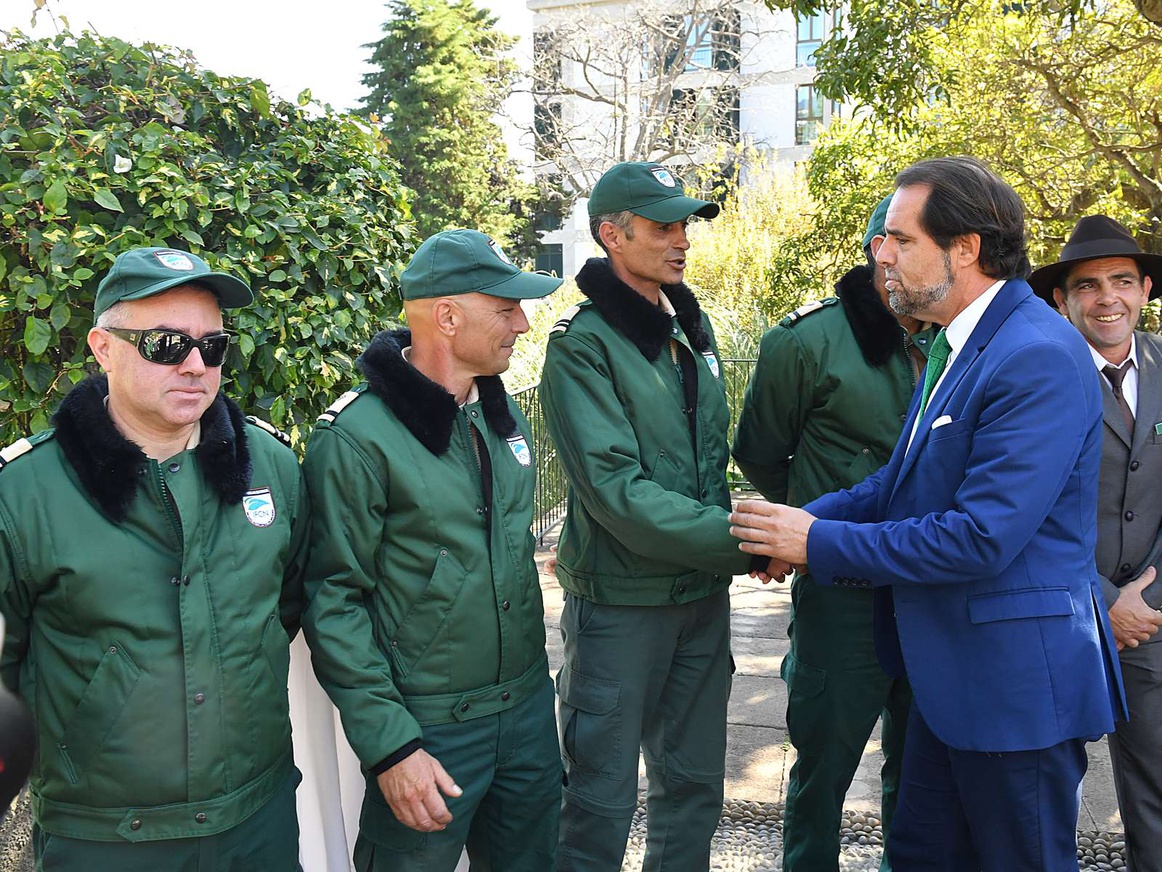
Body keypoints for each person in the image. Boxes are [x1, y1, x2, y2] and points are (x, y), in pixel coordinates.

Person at [729, 156, 1124, 871]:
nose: (880, 254)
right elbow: (898, 483)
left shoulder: (1034, 353)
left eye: (900, 239)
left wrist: (818, 542)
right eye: (883, 239)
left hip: (1012, 696)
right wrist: (794, 530)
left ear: (966, 247)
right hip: (948, 683)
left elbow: (979, 537)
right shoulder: (955, 342)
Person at [0, 247, 308, 871]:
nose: (195, 365)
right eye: (166, 345)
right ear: (103, 347)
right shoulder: (25, 492)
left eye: (213, 346)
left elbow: (290, 603)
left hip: (258, 820)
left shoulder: (271, 468)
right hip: (106, 839)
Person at [539, 161, 783, 872]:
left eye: (685, 224)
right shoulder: (582, 344)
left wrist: (749, 523)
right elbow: (620, 495)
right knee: (599, 802)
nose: (682, 239)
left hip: (699, 602)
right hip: (622, 607)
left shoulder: (686, 325)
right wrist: (749, 545)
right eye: (663, 225)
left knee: (694, 791)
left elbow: (701, 467)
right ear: (612, 235)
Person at [301, 229, 564, 871]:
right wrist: (391, 748)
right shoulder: (357, 439)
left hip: (526, 713)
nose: (523, 324)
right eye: (505, 309)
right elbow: (332, 603)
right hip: (431, 732)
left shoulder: (500, 417)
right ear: (446, 316)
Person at [732, 194, 938, 872]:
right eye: (892, 241)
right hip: (843, 593)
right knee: (823, 768)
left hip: (933, 586)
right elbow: (762, 451)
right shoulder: (806, 342)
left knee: (921, 770)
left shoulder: (961, 338)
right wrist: (808, 525)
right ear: (875, 247)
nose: (899, 257)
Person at [1030, 215, 1162, 872]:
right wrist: (1103, 601)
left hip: (1148, 621)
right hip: (1056, 616)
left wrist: (1143, 595)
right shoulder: (1037, 374)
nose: (1109, 299)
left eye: (1123, 282)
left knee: (1156, 793)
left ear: (1146, 288)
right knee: (1044, 793)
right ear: (1060, 299)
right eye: (1090, 285)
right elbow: (1027, 513)